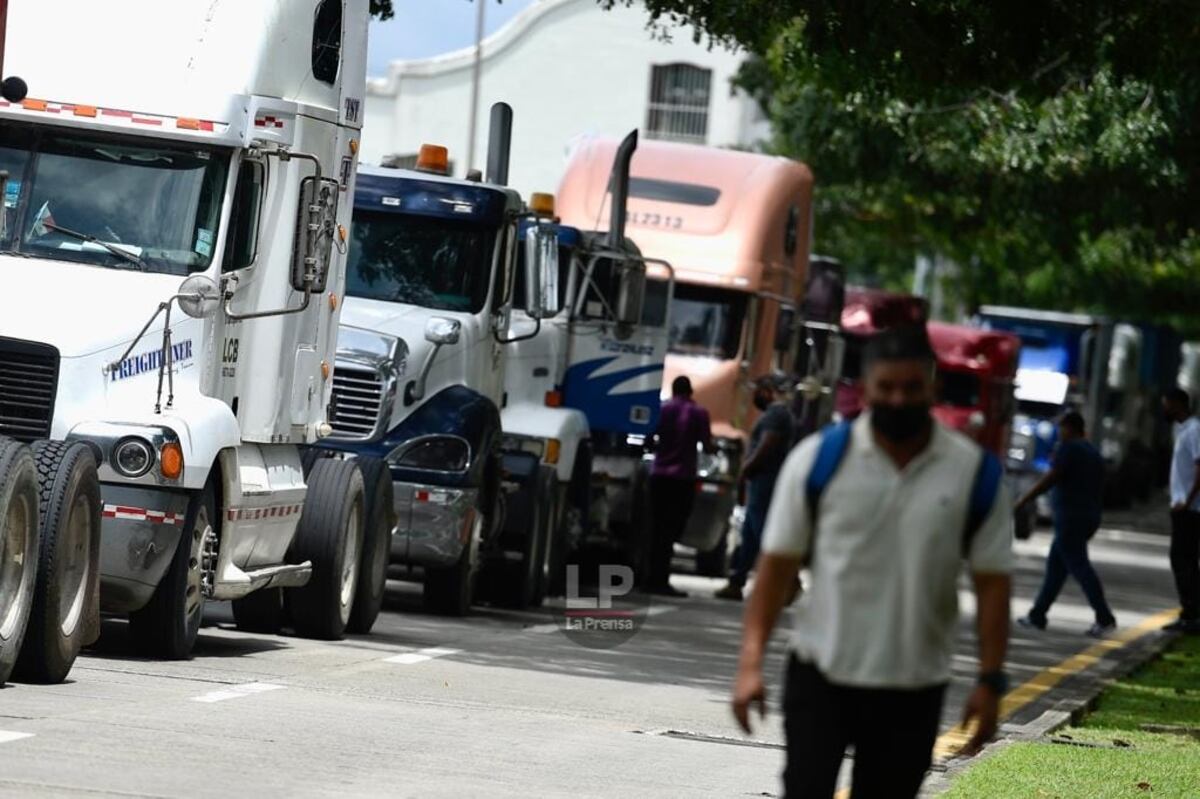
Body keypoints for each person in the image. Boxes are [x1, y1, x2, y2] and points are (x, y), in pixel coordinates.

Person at [731, 325, 1012, 799]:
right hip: (821, 676)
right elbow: (775, 569)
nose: (898, 400)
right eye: (886, 388)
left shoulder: (973, 474)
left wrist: (990, 680)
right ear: (864, 390)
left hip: (913, 687)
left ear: (933, 388)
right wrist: (750, 664)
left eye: (911, 388)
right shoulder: (819, 461)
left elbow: (992, 585)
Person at [1014, 412, 1117, 637]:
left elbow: (1051, 477)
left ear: (1070, 428)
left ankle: (1104, 617)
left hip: (1071, 518)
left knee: (1079, 567)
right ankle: (1037, 615)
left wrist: (1024, 500)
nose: (1060, 433)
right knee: (1056, 568)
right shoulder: (1092, 452)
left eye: (1062, 428)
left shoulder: (1070, 448)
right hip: (1088, 516)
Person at [716, 376, 794, 600]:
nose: (755, 395)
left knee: (764, 536)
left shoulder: (776, 414)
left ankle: (789, 583)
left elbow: (767, 445)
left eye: (759, 390)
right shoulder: (775, 414)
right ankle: (736, 582)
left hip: (765, 482)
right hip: (759, 483)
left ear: (768, 391)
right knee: (750, 536)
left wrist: (746, 469)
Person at [648, 375, 712, 597]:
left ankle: (650, 578)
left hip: (659, 476)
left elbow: (649, 438)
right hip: (682, 478)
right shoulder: (699, 413)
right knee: (672, 529)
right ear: (691, 391)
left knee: (655, 528)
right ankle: (660, 580)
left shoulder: (662, 409)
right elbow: (708, 444)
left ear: (673, 391)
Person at [1162, 388, 1200, 634]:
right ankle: (1191, 612)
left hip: (1191, 508)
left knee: (1183, 560)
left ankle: (1191, 613)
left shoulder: (1195, 430)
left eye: (1166, 404)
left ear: (1177, 404)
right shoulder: (1183, 429)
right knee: (1185, 560)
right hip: (1183, 507)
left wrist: (1187, 501)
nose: (1164, 409)